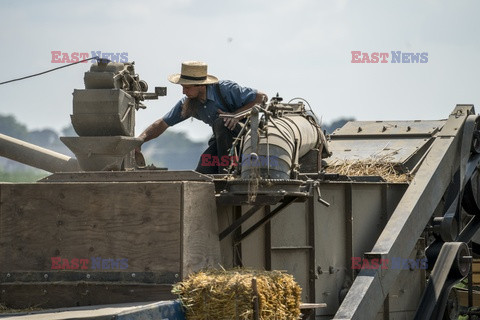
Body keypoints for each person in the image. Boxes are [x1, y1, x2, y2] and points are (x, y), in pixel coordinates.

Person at [136, 61, 267, 174]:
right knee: (204, 170)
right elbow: (163, 123)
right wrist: (140, 140)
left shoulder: (225, 89)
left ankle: (228, 173)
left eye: (187, 87)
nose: (183, 92)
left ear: (201, 85)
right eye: (183, 87)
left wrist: (235, 116)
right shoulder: (188, 103)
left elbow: (261, 98)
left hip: (245, 137)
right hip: (222, 142)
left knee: (221, 122)